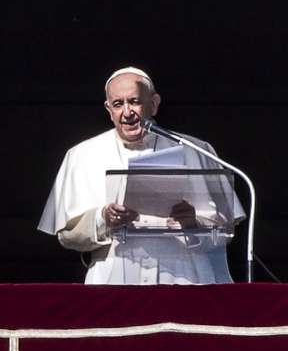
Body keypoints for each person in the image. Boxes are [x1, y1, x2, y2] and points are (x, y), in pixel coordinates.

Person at [38, 67, 244, 284]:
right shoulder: (81, 154)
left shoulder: (196, 149)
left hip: (184, 279)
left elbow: (225, 231)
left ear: (154, 104)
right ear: (109, 110)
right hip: (115, 281)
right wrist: (103, 219)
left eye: (135, 101)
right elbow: (67, 236)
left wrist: (193, 224)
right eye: (118, 104)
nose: (127, 112)